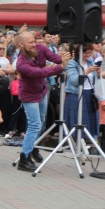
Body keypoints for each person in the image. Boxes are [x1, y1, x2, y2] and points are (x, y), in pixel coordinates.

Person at [15, 32, 69, 172]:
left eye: (34, 41)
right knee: (35, 124)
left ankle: (33, 147)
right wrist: (60, 67)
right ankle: (24, 158)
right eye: (30, 42)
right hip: (29, 95)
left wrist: (64, 58)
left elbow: (55, 58)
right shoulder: (21, 63)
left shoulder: (40, 48)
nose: (34, 44)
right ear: (21, 44)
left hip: (42, 91)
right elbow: (39, 73)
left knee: (41, 122)